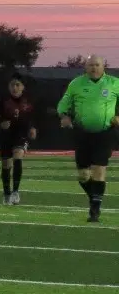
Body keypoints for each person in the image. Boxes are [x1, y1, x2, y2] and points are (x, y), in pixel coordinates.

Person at [57, 54, 119, 222]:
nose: (94, 68)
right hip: (82, 134)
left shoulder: (114, 83)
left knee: (99, 170)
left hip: (105, 133)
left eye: (97, 65)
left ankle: (95, 211)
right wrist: (64, 115)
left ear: (103, 66)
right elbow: (65, 102)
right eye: (91, 65)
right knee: (84, 175)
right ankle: (95, 198)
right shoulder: (76, 84)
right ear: (86, 67)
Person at [0, 74, 37, 205]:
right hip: (6, 135)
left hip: (21, 134)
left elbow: (34, 117)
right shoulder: (3, 101)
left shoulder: (28, 101)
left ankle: (15, 192)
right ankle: (6, 193)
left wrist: (33, 128)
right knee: (6, 165)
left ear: (23, 87)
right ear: (8, 87)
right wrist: (1, 122)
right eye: (12, 85)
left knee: (18, 156)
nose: (15, 87)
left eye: (18, 85)